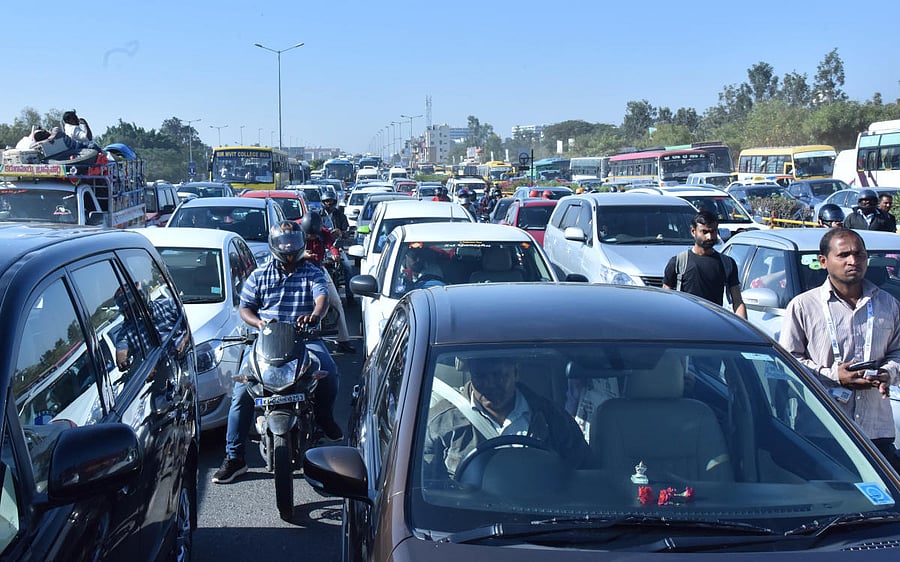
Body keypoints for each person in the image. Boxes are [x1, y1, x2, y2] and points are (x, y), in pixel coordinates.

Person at [212, 221, 343, 484]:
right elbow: (245, 308)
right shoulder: (260, 275)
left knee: (329, 374)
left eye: (293, 244)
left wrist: (315, 316)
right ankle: (235, 457)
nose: (288, 249)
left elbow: (322, 298)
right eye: (283, 244)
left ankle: (323, 417)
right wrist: (258, 323)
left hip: (304, 339)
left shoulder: (313, 272)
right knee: (241, 394)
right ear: (274, 246)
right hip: (265, 342)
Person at [779, 228, 900, 471]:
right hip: (823, 430)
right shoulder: (804, 306)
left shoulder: (888, 304)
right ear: (823, 261)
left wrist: (888, 373)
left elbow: (897, 352)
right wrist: (834, 376)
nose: (853, 261)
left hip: (876, 428)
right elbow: (787, 363)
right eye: (843, 255)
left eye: (859, 254)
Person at [422, 358, 593, 481]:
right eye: (480, 376)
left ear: (516, 373)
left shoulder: (553, 418)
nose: (490, 384)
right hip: (469, 524)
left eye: (499, 375)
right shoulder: (440, 421)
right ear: (471, 376)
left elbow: (583, 474)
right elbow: (425, 483)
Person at [663, 210, 747, 319]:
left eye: (713, 232)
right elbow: (666, 301)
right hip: (684, 325)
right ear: (693, 231)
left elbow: (738, 302)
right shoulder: (678, 262)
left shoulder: (727, 264)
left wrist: (743, 330)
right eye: (704, 232)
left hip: (714, 326)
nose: (710, 237)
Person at [300, 212, 355, 354]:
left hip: (319, 270)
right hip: (299, 271)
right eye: (308, 235)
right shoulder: (295, 233)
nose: (311, 237)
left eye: (313, 235)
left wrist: (335, 253)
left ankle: (344, 341)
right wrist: (302, 255)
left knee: (336, 302)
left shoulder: (324, 232)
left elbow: (331, 245)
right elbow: (285, 251)